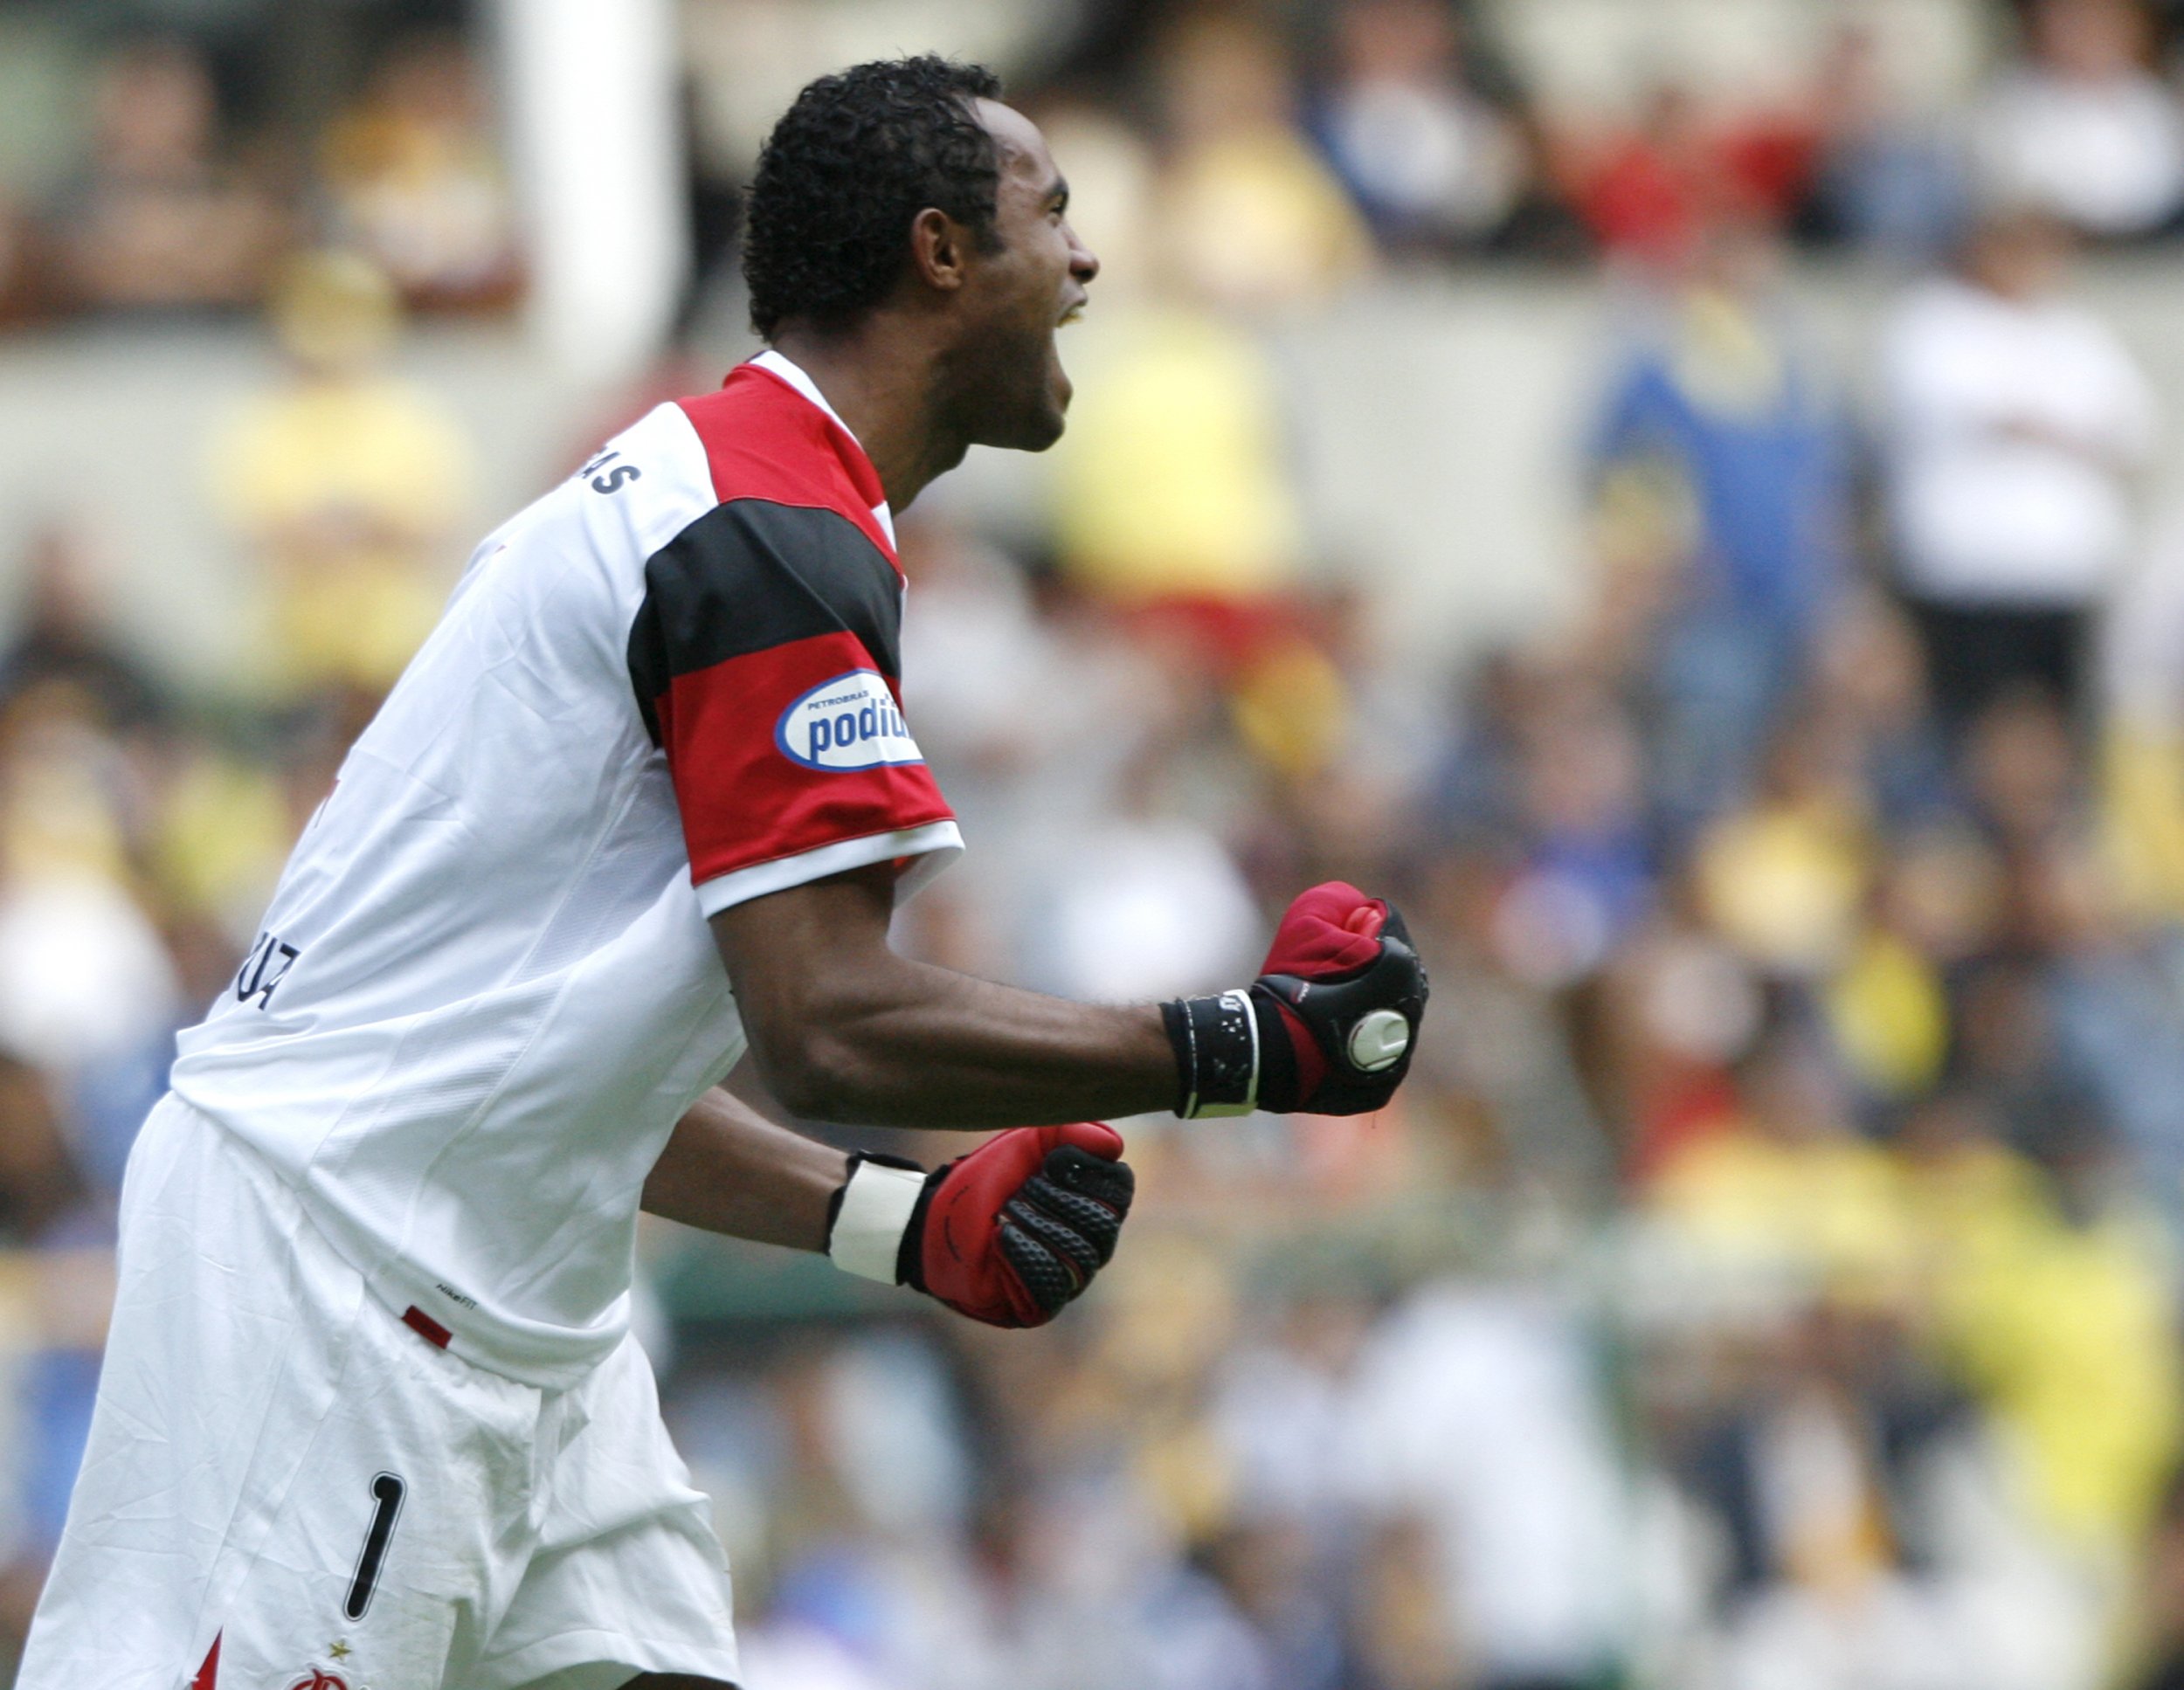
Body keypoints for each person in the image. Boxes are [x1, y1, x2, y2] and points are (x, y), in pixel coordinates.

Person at [16, 55, 1427, 1690]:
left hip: (506, 1301)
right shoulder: (755, 532)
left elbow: (551, 1060)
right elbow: (828, 1023)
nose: (1088, 259)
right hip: (339, 1292)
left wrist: (888, 1224)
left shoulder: (746, 499)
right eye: (1055, 213)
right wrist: (1241, 1049)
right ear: (940, 254)